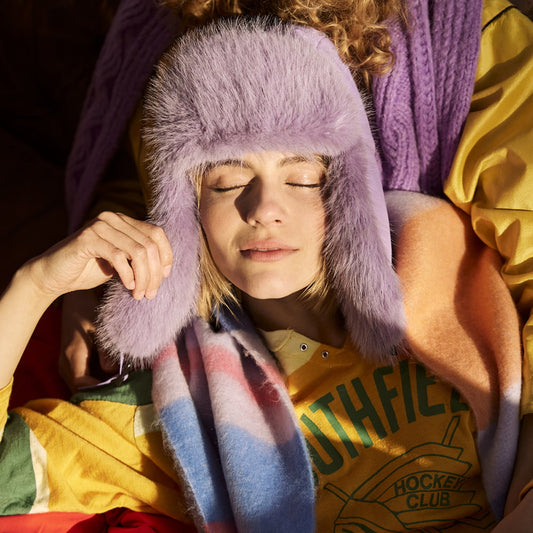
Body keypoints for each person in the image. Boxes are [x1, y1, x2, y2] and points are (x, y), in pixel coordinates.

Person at [0, 17, 529, 532]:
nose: (265, 209)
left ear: (349, 193)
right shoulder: (172, 409)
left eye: (302, 178)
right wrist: (34, 286)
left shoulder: (457, 283)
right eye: (228, 182)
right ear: (186, 212)